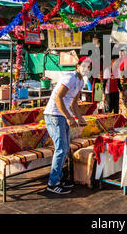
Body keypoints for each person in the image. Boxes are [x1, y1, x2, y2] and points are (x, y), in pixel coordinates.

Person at [43, 56, 92, 195]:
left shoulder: (81, 81)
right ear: (78, 66)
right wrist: (69, 117)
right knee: (61, 149)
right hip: (54, 115)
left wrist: (80, 118)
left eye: (88, 67)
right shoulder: (69, 77)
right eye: (83, 66)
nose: (85, 69)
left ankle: (57, 180)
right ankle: (52, 184)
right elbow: (58, 97)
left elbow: (73, 103)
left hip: (62, 116)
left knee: (64, 149)